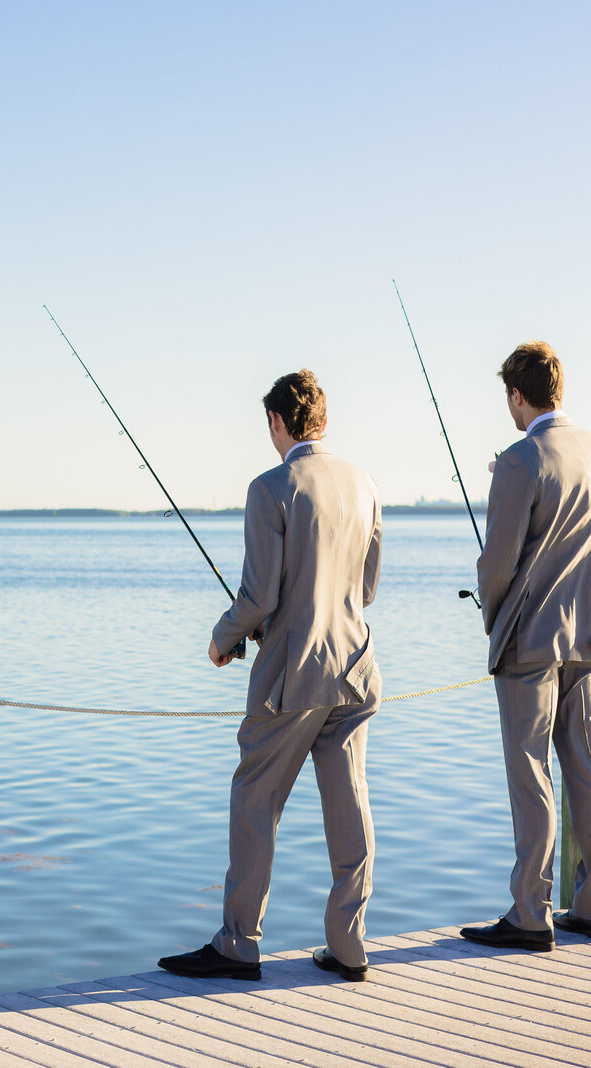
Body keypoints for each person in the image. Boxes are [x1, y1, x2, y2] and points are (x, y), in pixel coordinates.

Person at [158, 370, 383, 984]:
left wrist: (223, 639)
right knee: (349, 803)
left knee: (254, 800)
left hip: (292, 676)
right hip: (356, 667)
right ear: (324, 421)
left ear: (278, 423)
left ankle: (239, 943)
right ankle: (350, 943)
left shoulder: (269, 488)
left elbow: (258, 597)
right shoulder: (363, 484)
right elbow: (364, 587)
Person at [460, 341, 591, 952]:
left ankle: (532, 913)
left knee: (530, 772)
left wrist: (493, 613)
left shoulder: (519, 459)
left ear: (516, 394)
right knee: (587, 764)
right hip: (588, 631)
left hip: (529, 639)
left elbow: (498, 563)